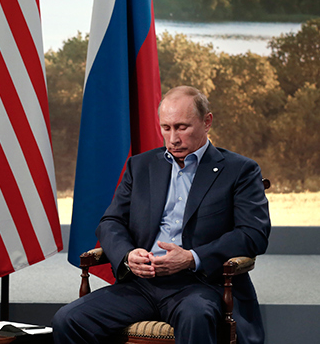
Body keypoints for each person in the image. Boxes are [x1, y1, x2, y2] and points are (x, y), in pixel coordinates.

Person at [52, 86, 271, 344]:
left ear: (207, 122)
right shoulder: (140, 166)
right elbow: (111, 222)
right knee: (68, 319)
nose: (173, 139)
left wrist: (191, 258)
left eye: (182, 127)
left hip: (201, 285)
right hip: (141, 284)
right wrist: (128, 254)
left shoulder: (239, 170)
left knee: (196, 316)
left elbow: (253, 234)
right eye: (166, 128)